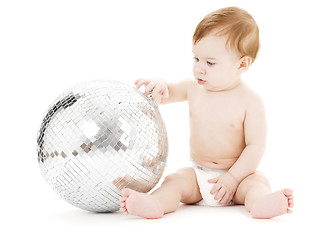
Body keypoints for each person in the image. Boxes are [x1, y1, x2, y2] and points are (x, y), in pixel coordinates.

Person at [119, 6, 294, 219]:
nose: (199, 68)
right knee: (175, 181)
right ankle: (156, 203)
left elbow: (255, 146)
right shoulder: (194, 88)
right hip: (199, 175)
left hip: (239, 178)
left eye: (210, 62)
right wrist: (160, 85)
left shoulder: (250, 100)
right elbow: (169, 92)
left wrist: (232, 178)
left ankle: (261, 203)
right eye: (196, 58)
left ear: (242, 64)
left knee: (257, 183)